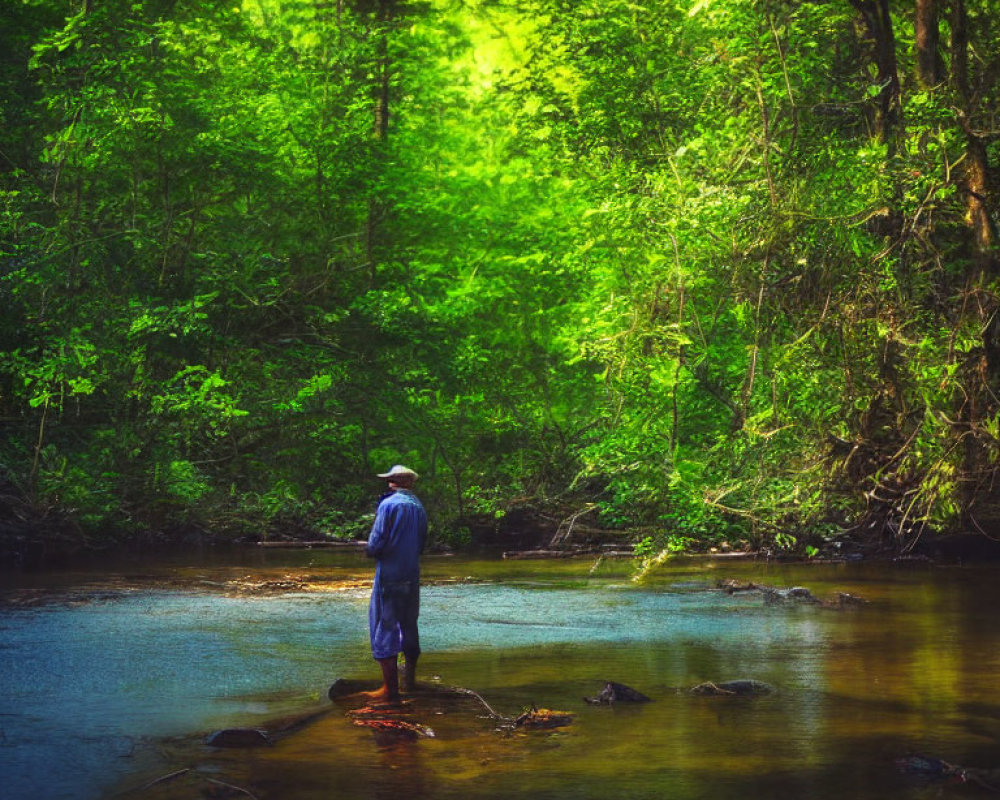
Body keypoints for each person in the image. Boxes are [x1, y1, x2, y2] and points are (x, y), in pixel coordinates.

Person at [363, 464, 427, 702]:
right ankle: (409, 682)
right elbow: (422, 542)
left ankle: (390, 690)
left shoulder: (388, 504)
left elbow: (376, 542)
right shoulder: (418, 507)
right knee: (409, 624)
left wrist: (368, 551)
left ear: (392, 482)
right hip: (412, 572)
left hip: (390, 573)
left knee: (384, 624)